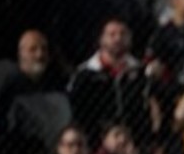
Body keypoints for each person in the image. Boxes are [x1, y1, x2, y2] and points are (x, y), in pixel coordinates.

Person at [68, 18, 158, 147]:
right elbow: (78, 114)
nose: (118, 38)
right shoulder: (84, 75)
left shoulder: (141, 72)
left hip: (137, 142)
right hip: (96, 144)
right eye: (112, 34)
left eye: (123, 34)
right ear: (101, 39)